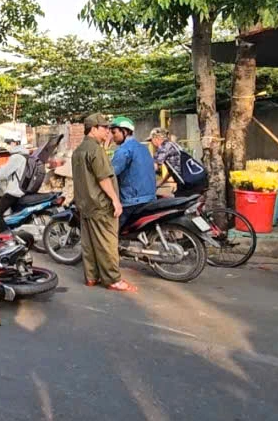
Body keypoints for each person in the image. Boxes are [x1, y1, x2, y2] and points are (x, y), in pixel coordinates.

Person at [72, 113, 135, 292]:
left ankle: (92, 277)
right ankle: (113, 280)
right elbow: (103, 179)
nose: (108, 131)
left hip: (85, 204)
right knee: (107, 243)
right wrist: (115, 200)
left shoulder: (79, 151)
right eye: (104, 128)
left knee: (89, 244)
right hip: (100, 204)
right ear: (93, 129)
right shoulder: (95, 150)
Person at [110, 116, 157, 228]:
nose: (112, 136)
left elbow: (111, 173)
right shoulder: (143, 148)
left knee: (111, 233)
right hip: (150, 197)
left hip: (132, 201)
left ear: (124, 131)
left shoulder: (124, 150)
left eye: (114, 132)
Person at [150, 128, 206, 198]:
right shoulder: (175, 145)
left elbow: (153, 168)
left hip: (188, 183)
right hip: (200, 178)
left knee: (168, 199)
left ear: (156, 138)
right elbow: (174, 169)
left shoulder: (163, 148)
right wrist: (161, 182)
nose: (151, 143)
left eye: (151, 140)